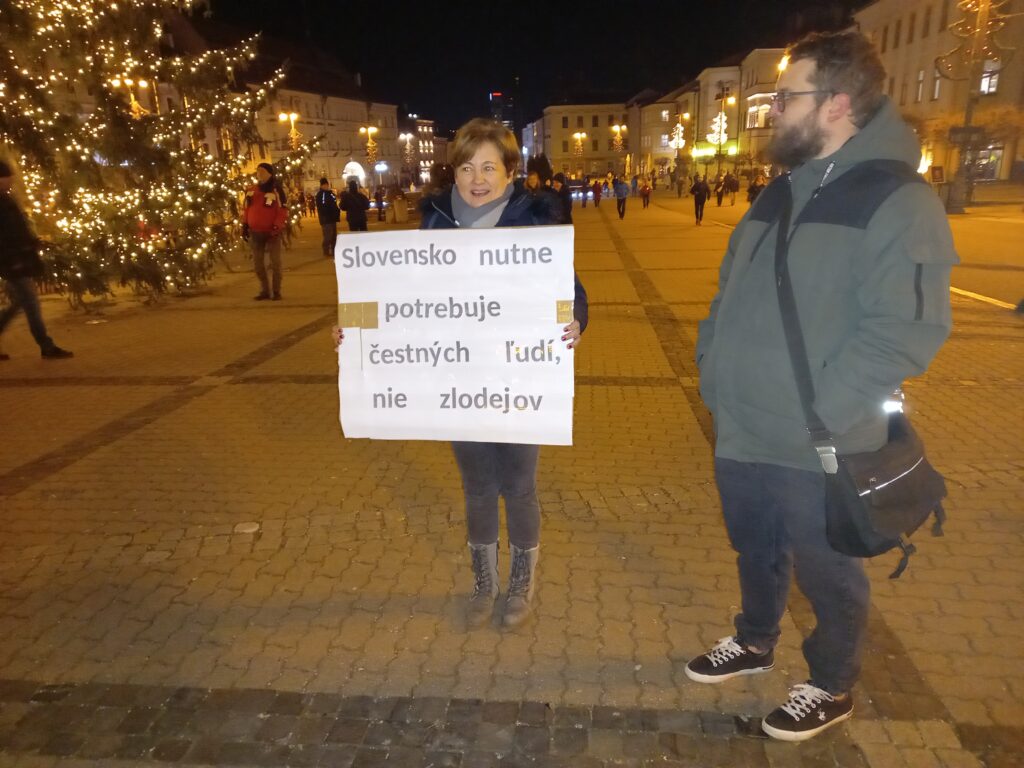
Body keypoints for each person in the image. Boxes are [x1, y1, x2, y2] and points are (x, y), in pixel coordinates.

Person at [689, 30, 956, 742]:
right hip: (742, 426)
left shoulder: (899, 199)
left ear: (836, 103)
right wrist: (713, 366)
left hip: (821, 440)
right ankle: (753, 639)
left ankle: (832, 682)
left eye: (786, 96)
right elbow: (727, 292)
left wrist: (826, 413)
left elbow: (904, 331)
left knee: (828, 572)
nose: (772, 109)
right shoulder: (779, 192)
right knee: (754, 545)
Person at [333, 118, 588, 630]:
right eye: (467, 166)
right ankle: (482, 581)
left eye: (489, 167)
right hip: (458, 380)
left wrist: (574, 320)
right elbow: (400, 295)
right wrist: (354, 329)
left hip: (518, 379)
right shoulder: (435, 223)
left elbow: (570, 291)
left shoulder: (534, 223)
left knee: (518, 485)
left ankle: (520, 582)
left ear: (510, 171)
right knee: (475, 487)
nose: (477, 178)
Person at [0, 159, 73, 360]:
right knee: (30, 303)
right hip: (13, 260)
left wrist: (32, 242)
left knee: (21, 303)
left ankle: (46, 345)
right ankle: (46, 346)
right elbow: (6, 236)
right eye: (6, 178)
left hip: (19, 257)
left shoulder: (7, 200)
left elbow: (18, 230)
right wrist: (13, 256)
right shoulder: (2, 202)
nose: (10, 181)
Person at [242, 162, 287, 301]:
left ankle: (276, 290)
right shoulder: (252, 190)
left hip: (272, 233)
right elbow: (246, 208)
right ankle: (265, 290)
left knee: (275, 263)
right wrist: (244, 224)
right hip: (256, 232)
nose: (259, 174)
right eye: (258, 171)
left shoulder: (276, 190)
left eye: (261, 171)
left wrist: (277, 225)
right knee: (258, 264)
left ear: (269, 173)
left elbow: (283, 209)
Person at [315, 178, 340, 258]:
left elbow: (335, 203)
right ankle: (326, 251)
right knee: (328, 236)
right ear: (322, 185)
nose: (326, 186)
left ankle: (334, 251)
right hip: (326, 219)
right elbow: (322, 207)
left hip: (332, 218)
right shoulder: (320, 195)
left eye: (327, 185)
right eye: (325, 185)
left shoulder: (331, 193)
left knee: (334, 236)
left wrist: (336, 212)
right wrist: (327, 213)